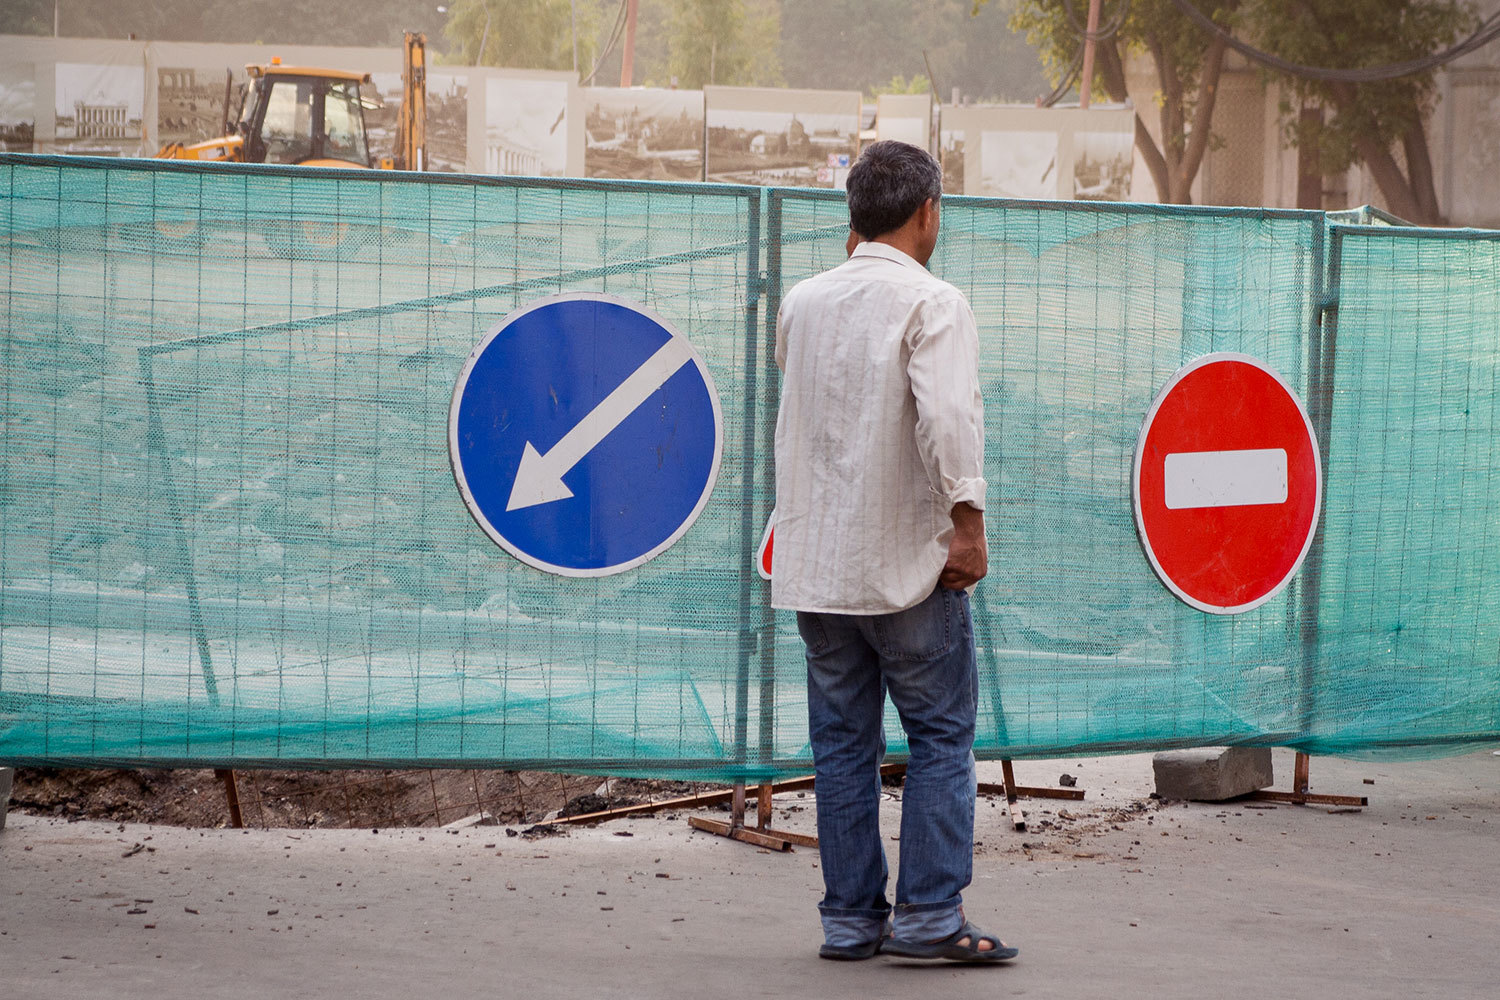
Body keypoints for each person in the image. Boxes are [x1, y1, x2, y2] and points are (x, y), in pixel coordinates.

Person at [772, 140, 1016, 964]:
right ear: (927, 212)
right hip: (908, 562)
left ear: (855, 218)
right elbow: (948, 421)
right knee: (940, 736)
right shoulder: (934, 302)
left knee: (843, 746)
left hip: (817, 566)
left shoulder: (803, 302)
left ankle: (850, 921)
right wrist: (969, 525)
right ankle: (929, 918)